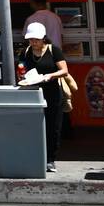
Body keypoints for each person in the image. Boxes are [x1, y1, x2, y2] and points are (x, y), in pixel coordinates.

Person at [18, 22, 70, 173]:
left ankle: (50, 159)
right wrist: (22, 75)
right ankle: (36, 156)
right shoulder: (26, 52)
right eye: (31, 39)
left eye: (36, 39)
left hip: (52, 93)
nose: (33, 42)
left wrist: (49, 76)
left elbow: (64, 71)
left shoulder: (54, 51)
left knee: (53, 127)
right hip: (33, 93)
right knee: (34, 126)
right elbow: (22, 69)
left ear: (43, 39)